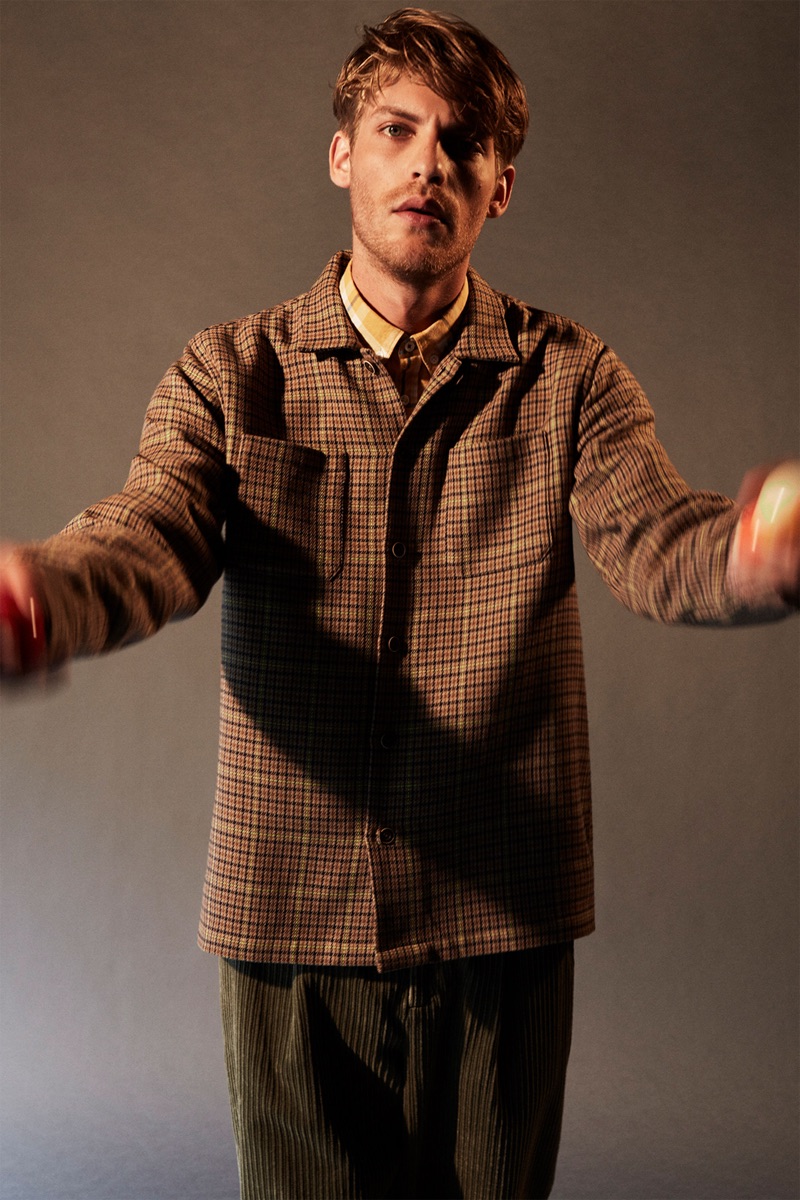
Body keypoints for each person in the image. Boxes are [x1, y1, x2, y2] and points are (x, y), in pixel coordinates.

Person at [1, 8, 798, 1199]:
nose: (429, 161)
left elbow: (656, 542)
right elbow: (147, 535)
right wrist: (43, 596)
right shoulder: (229, 373)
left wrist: (755, 554)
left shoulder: (568, 375)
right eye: (396, 129)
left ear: (499, 187)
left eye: (462, 142)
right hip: (286, 916)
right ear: (344, 156)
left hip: (502, 915)